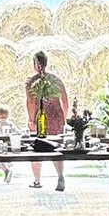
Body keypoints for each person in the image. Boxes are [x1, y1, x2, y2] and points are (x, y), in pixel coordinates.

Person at [25, 50, 69, 191]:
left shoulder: (31, 82)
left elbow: (31, 102)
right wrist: (63, 118)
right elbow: (65, 101)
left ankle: (37, 180)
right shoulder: (56, 80)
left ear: (34, 64)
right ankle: (60, 176)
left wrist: (31, 120)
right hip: (56, 117)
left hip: (40, 118)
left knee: (37, 147)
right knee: (56, 148)